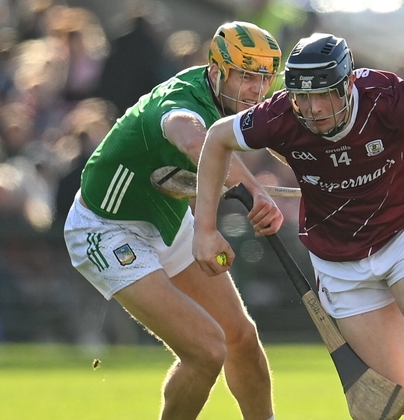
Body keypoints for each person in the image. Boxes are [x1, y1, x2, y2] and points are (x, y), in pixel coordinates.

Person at [192, 32, 404, 420]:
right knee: (393, 399)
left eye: (322, 95)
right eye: (302, 97)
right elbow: (216, 139)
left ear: (347, 85)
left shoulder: (386, 97)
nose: (311, 110)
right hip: (339, 262)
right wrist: (205, 229)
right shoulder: (278, 116)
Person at [63, 21, 283, 420]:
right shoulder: (181, 103)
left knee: (241, 338)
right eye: (246, 76)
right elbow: (198, 142)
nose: (257, 89)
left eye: (264, 78)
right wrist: (208, 230)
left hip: (164, 219)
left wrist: (259, 193)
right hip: (107, 228)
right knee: (206, 350)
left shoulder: (236, 104)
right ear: (217, 71)